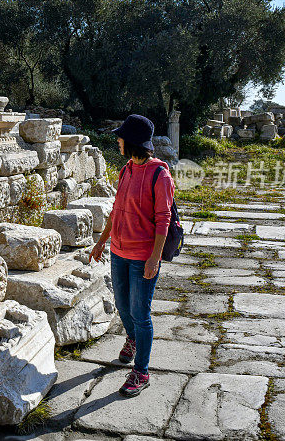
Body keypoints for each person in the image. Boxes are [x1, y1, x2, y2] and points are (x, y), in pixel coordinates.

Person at [90, 114, 174, 397]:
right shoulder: (126, 170)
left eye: (121, 136)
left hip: (143, 256)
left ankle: (141, 371)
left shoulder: (159, 175)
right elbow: (116, 210)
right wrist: (102, 241)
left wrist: (155, 258)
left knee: (141, 313)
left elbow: (163, 219)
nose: (118, 140)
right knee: (122, 306)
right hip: (119, 251)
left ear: (133, 141)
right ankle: (132, 340)